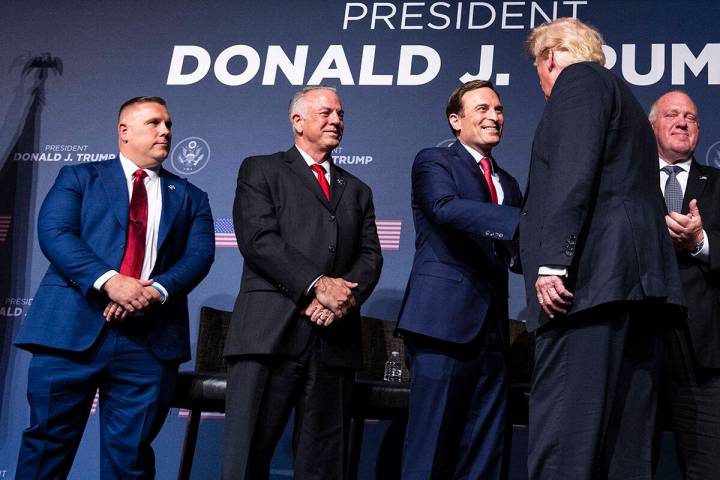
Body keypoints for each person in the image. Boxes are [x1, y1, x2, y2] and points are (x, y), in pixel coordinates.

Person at [14, 96, 215, 478]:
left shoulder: (191, 197)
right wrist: (112, 282)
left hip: (148, 342)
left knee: (131, 458)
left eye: (169, 124)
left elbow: (200, 256)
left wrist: (150, 293)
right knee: (46, 448)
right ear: (124, 131)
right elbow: (55, 234)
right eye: (154, 123)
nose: (166, 131)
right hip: (69, 334)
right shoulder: (78, 177)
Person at [520, 18, 683, 479]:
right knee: (623, 450)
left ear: (550, 58)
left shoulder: (579, 80)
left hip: (586, 289)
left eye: (538, 72)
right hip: (631, 290)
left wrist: (553, 261)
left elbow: (573, 171)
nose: (543, 85)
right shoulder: (623, 96)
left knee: (563, 444)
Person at [222, 86, 383, 479]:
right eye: (326, 113)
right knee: (247, 458)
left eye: (341, 115)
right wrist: (317, 284)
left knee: (325, 463)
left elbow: (370, 256)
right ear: (297, 121)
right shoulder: (260, 169)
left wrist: (339, 298)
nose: (336, 121)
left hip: (332, 339)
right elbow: (259, 241)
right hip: (269, 336)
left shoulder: (357, 189)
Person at [395, 80, 522, 479]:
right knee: (430, 445)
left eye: (498, 110)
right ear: (456, 120)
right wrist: (525, 223)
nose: (494, 117)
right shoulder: (435, 160)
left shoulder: (510, 182)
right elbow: (445, 208)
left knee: (485, 448)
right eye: (482, 109)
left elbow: (516, 253)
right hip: (441, 323)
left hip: (493, 332)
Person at [650, 91, 720, 479]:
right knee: (630, 463)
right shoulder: (627, 183)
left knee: (708, 466)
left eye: (691, 117)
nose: (682, 122)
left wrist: (699, 242)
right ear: (652, 126)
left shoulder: (719, 183)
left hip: (702, 349)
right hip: (636, 343)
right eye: (672, 114)